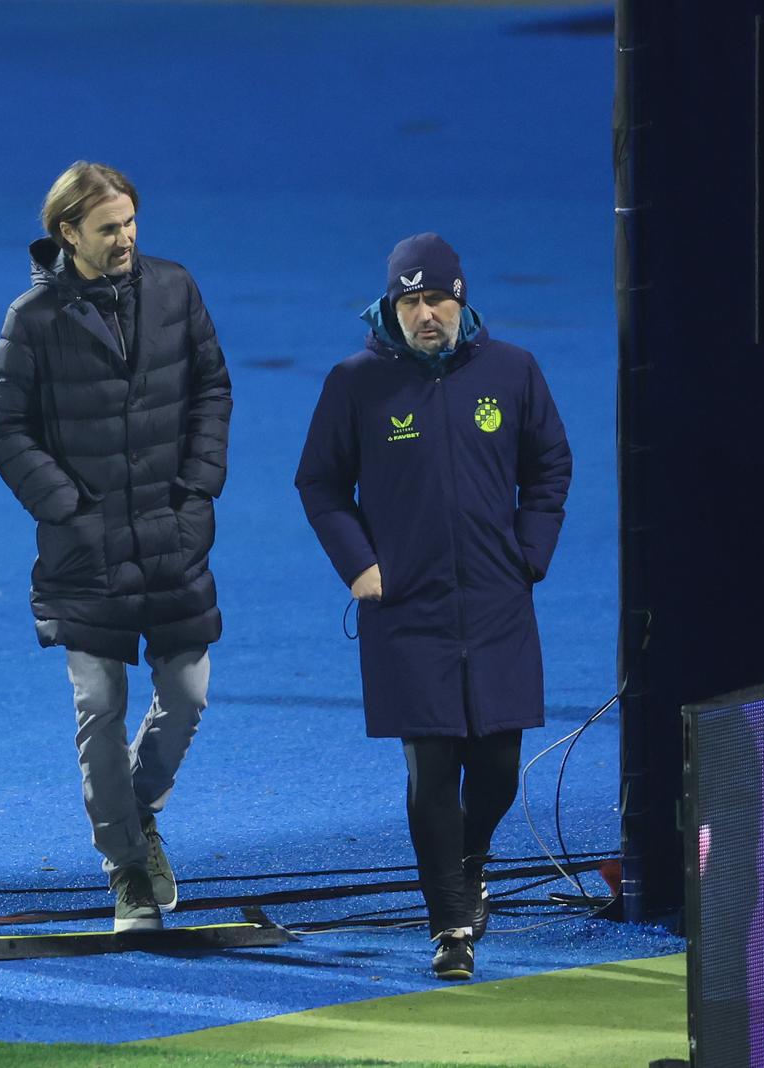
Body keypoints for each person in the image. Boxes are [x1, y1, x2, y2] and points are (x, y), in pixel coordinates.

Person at [295, 233, 571, 980]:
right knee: (431, 770)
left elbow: (549, 462)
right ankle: (451, 925)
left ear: (462, 298)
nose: (426, 314)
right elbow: (319, 484)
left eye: (437, 298)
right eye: (410, 301)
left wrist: (530, 552)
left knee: (500, 770)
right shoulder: (356, 383)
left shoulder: (512, 372)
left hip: (495, 600)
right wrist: (359, 565)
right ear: (392, 306)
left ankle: (468, 858)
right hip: (405, 609)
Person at [0, 161, 231, 932]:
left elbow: (212, 387)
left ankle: (137, 809)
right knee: (100, 708)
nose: (125, 238)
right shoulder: (33, 319)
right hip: (84, 554)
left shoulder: (176, 289)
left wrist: (198, 487)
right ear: (67, 233)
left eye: (130, 222)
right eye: (107, 228)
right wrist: (68, 508)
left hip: (170, 535)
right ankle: (126, 866)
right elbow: (4, 427)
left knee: (188, 696)